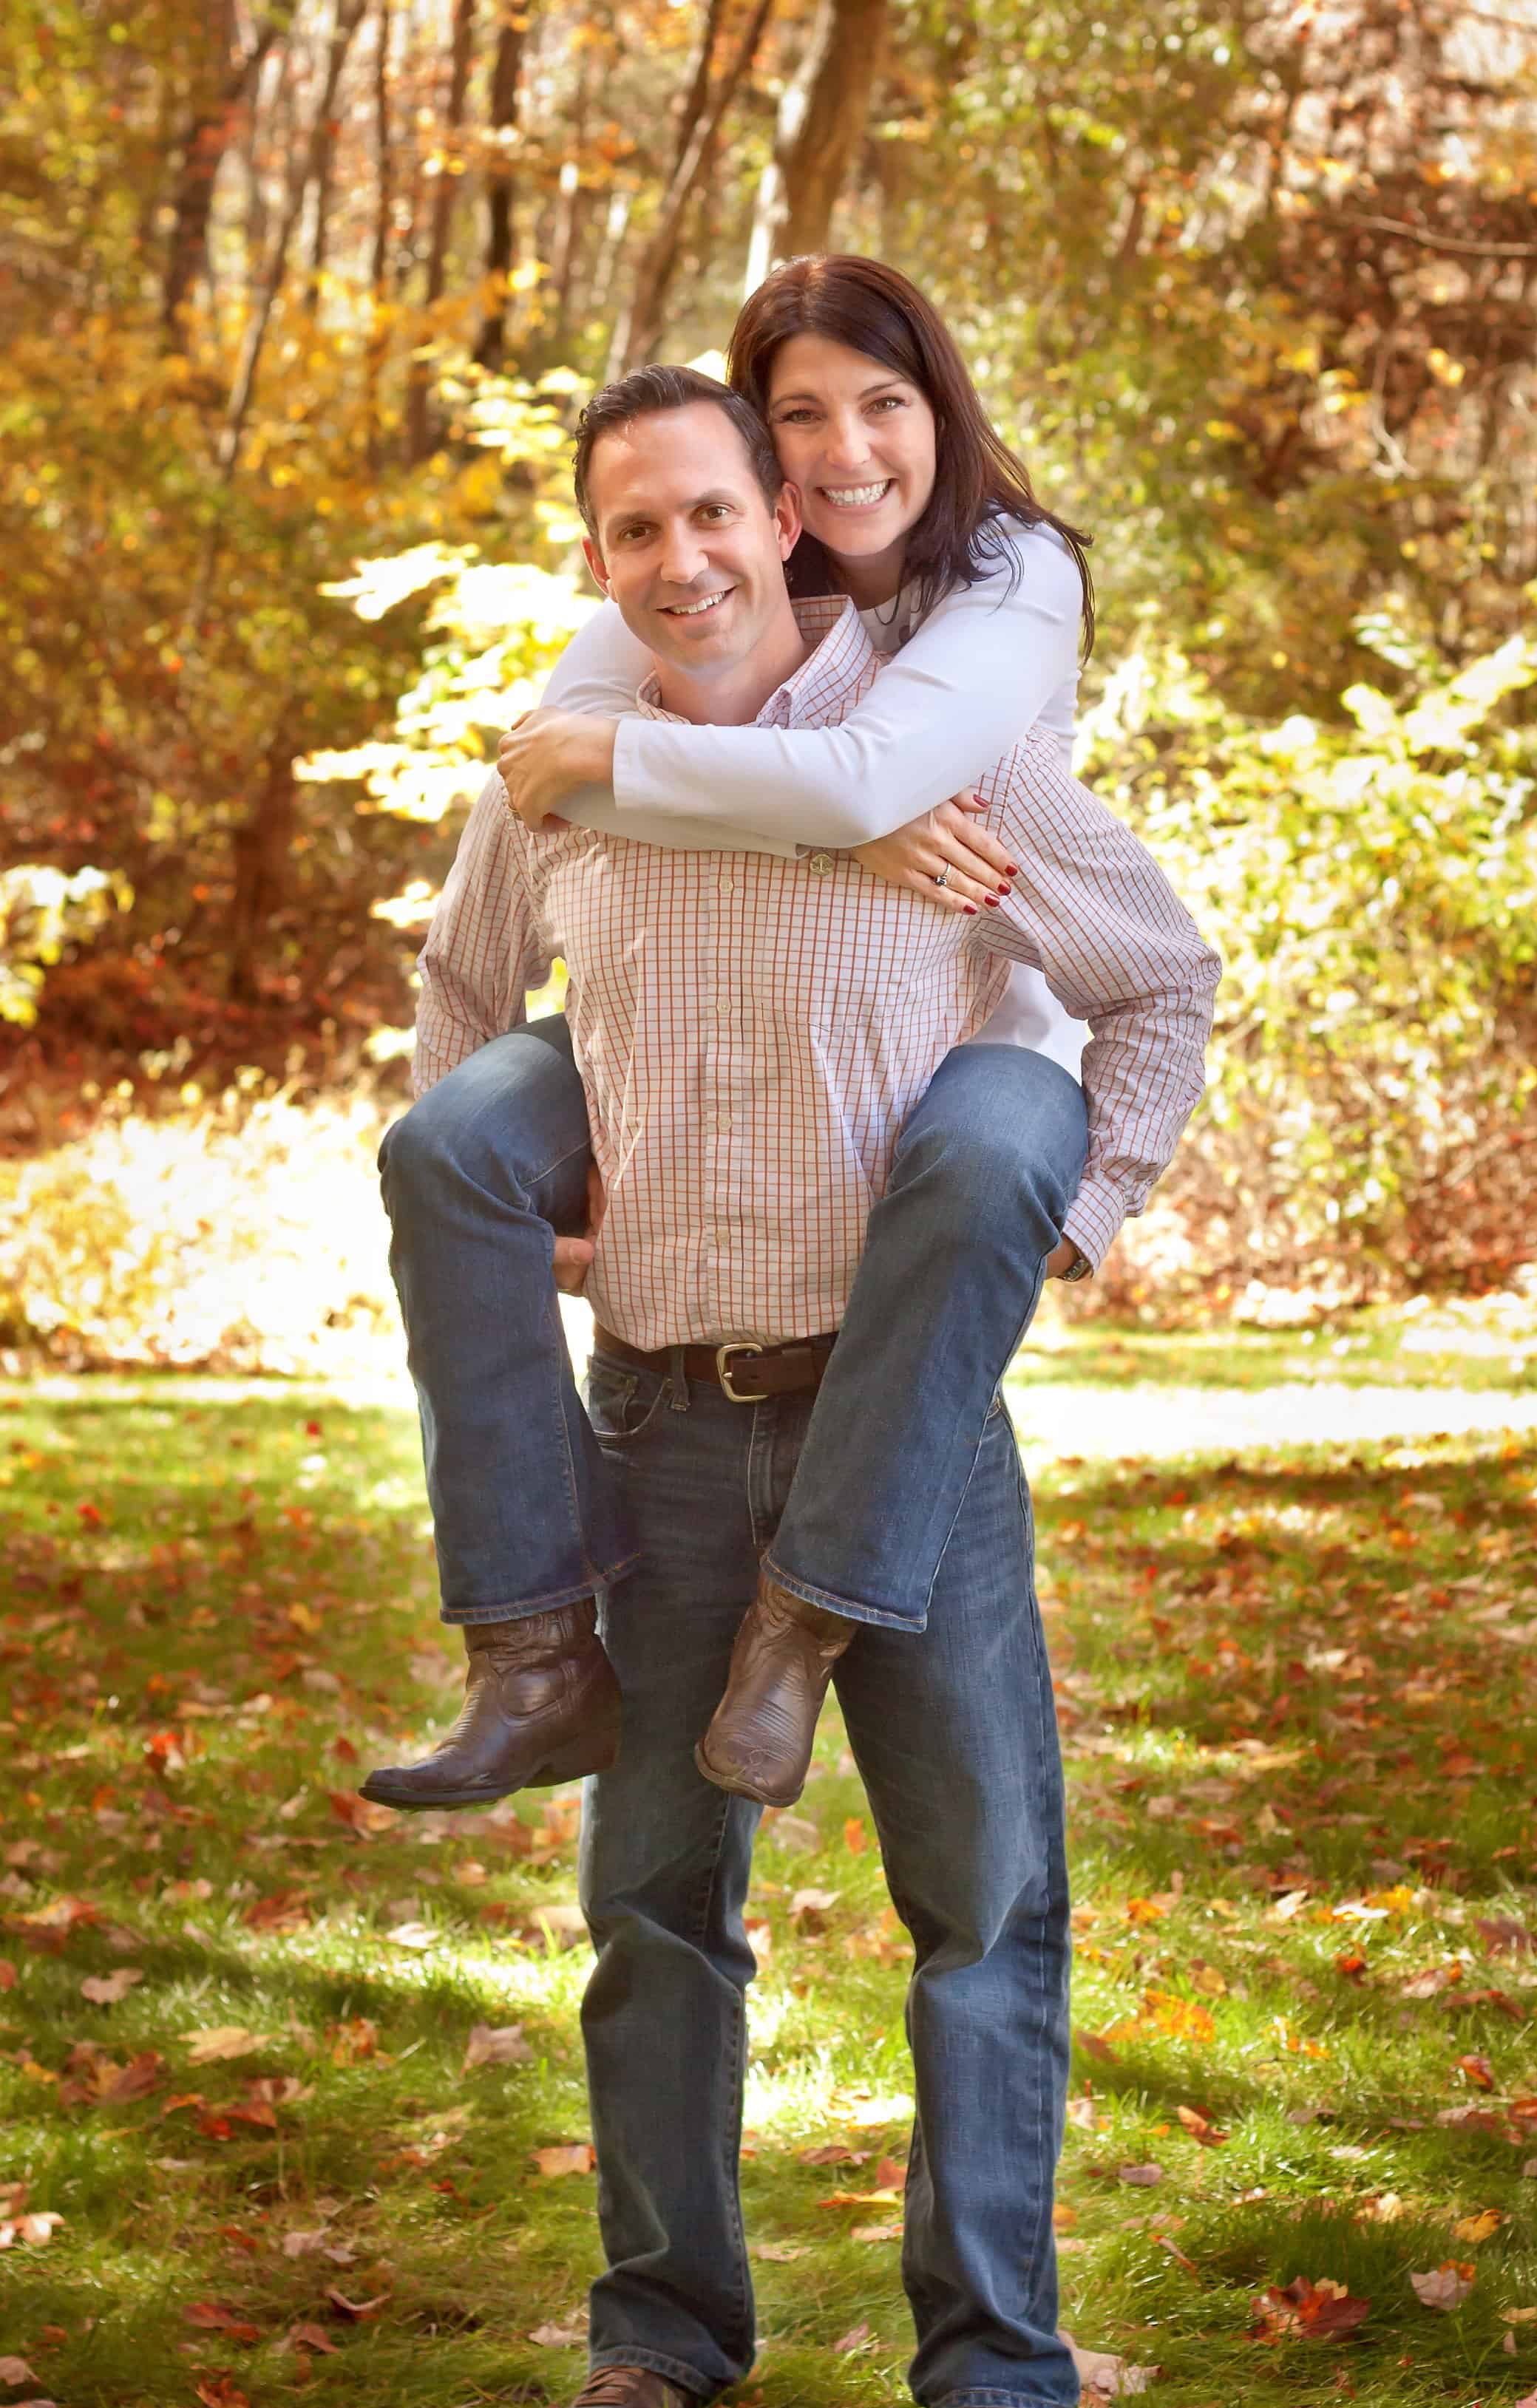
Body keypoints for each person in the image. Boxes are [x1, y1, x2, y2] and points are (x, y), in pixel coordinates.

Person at [395, 363, 1219, 2408]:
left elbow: (1158, 973)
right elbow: (463, 1005)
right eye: (629, 531)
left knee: (980, 1907)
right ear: (599, 563)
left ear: (781, 517)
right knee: (651, 1910)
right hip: (664, 1417)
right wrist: (534, 1192)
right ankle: (658, 2335)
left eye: (706, 515)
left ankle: (992, 2372)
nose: (676, 560)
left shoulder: (933, 765)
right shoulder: (553, 779)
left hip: (901, 1432)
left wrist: (1087, 1209)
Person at [363, 255, 1192, 1819]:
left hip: (963, 1042)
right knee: (453, 1142)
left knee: (1001, 1139)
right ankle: (531, 1651)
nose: (844, 444)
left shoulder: (1008, 578)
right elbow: (562, 778)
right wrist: (542, 1208)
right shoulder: (681, 590)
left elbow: (887, 779)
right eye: (800, 412)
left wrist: (1091, 1207)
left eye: (882, 403)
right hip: (682, 1092)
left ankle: (811, 1611)